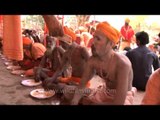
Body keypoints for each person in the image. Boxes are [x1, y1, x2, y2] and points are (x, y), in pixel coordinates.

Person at [62, 21, 134, 105]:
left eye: (98, 39)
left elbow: (119, 102)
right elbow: (81, 85)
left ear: (111, 44)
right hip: (104, 92)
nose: (93, 42)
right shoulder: (93, 60)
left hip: (122, 97)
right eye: (94, 38)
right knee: (67, 90)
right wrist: (75, 100)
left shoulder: (122, 64)